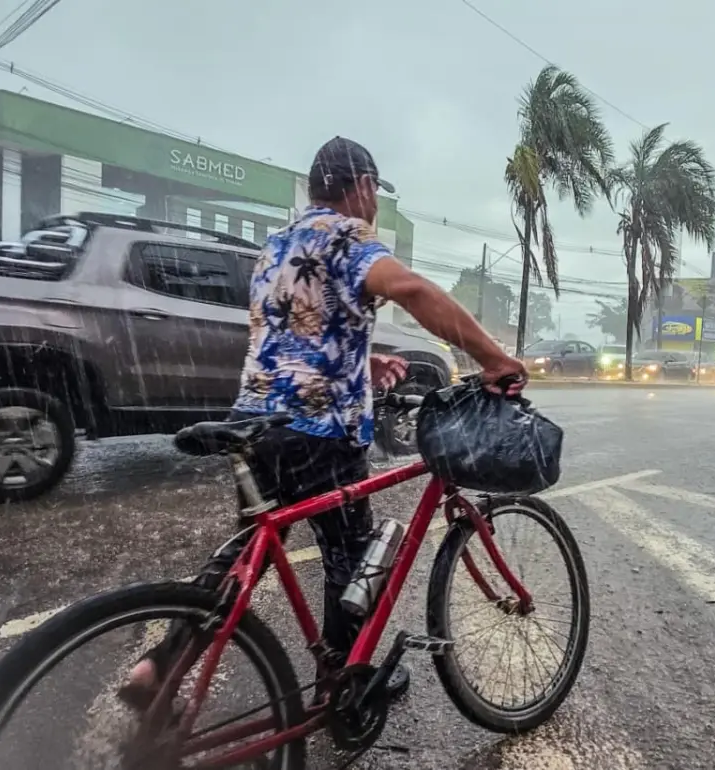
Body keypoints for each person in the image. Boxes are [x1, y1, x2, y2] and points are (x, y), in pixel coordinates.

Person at [121, 136, 527, 707]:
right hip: (319, 434)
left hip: (256, 424)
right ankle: (343, 683)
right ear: (363, 186)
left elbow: (297, 330)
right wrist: (495, 359)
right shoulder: (347, 235)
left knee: (245, 556)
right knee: (350, 560)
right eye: (374, 192)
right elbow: (411, 289)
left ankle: (161, 666)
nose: (374, 204)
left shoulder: (277, 244)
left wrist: (364, 361)